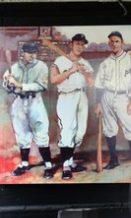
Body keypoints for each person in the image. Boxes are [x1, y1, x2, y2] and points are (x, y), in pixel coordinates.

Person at [3, 42, 53, 179]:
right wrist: (8, 83)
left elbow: (41, 86)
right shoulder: (14, 68)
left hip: (35, 102)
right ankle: (24, 163)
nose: (32, 55)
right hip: (19, 103)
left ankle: (48, 165)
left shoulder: (41, 66)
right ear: (22, 53)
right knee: (21, 135)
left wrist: (20, 84)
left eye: (34, 52)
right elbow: (8, 89)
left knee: (41, 134)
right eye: (29, 52)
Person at [94, 31, 131, 170]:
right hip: (107, 96)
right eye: (112, 42)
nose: (114, 44)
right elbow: (99, 85)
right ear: (109, 44)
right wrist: (98, 103)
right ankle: (113, 159)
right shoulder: (105, 63)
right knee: (109, 129)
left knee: (130, 127)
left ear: (122, 42)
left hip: (123, 97)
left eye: (117, 41)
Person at [50, 33, 94, 180]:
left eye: (82, 44)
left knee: (80, 132)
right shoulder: (60, 60)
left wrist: (85, 73)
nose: (80, 47)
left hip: (82, 96)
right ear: (71, 44)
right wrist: (71, 70)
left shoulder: (85, 63)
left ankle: (70, 160)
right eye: (77, 44)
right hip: (66, 96)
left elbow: (91, 83)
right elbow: (54, 80)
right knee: (67, 131)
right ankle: (67, 166)